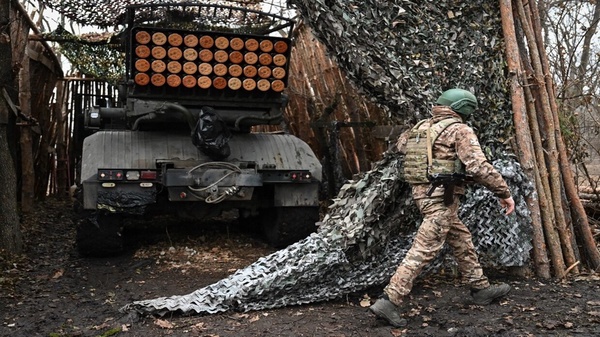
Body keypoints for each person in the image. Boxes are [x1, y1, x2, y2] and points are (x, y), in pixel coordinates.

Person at [369, 88, 515, 327]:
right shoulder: (459, 130)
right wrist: (504, 193)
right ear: (463, 108)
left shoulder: (419, 128)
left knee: (460, 238)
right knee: (423, 249)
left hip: (423, 196)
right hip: (441, 198)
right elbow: (478, 167)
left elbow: (401, 148)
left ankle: (480, 288)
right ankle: (389, 300)